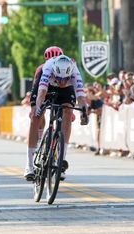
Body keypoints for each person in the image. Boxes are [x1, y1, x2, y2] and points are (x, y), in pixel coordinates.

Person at [30, 55, 88, 180]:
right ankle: (34, 157)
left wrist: (84, 112)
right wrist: (39, 108)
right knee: (38, 113)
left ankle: (61, 157)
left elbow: (81, 97)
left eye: (65, 79)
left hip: (67, 90)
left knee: (68, 111)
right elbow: (41, 93)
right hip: (49, 87)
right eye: (59, 79)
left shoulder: (74, 72)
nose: (62, 82)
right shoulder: (48, 68)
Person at [24, 46, 64, 181]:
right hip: (44, 90)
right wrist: (34, 107)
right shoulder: (42, 69)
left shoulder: (68, 66)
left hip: (61, 91)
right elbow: (36, 89)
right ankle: (29, 164)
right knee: (36, 117)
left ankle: (59, 161)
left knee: (62, 120)